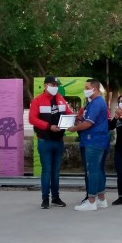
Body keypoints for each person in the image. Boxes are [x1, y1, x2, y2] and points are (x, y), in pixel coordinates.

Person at [29, 75, 74, 209]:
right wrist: (49, 127)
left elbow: (68, 112)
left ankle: (55, 197)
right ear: (45, 85)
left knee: (56, 171)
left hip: (58, 140)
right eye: (52, 85)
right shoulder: (37, 100)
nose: (55, 87)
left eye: (56, 85)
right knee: (46, 171)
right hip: (45, 140)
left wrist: (74, 118)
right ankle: (45, 199)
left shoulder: (60, 99)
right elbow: (32, 119)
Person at [68, 79, 110, 211]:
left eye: (87, 87)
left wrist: (74, 128)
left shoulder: (97, 103)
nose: (85, 90)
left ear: (95, 89)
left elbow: (88, 123)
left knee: (92, 171)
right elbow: (86, 120)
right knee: (98, 170)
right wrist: (78, 120)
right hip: (98, 141)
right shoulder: (92, 104)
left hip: (93, 141)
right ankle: (101, 199)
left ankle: (91, 201)